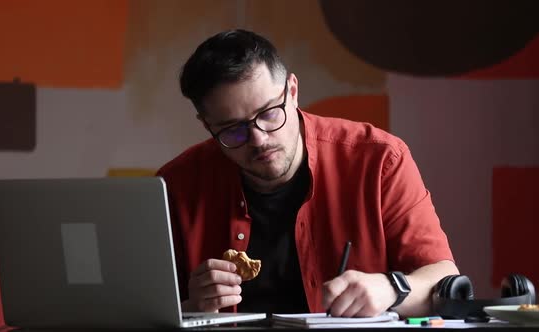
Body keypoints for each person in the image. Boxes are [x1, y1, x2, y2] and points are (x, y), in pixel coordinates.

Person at [156, 29, 458, 318]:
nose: (259, 139)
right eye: (233, 130)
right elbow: (138, 309)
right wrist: (189, 306)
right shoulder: (174, 185)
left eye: (269, 113)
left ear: (292, 91)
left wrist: (392, 288)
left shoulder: (379, 160)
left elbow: (444, 281)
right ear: (207, 125)